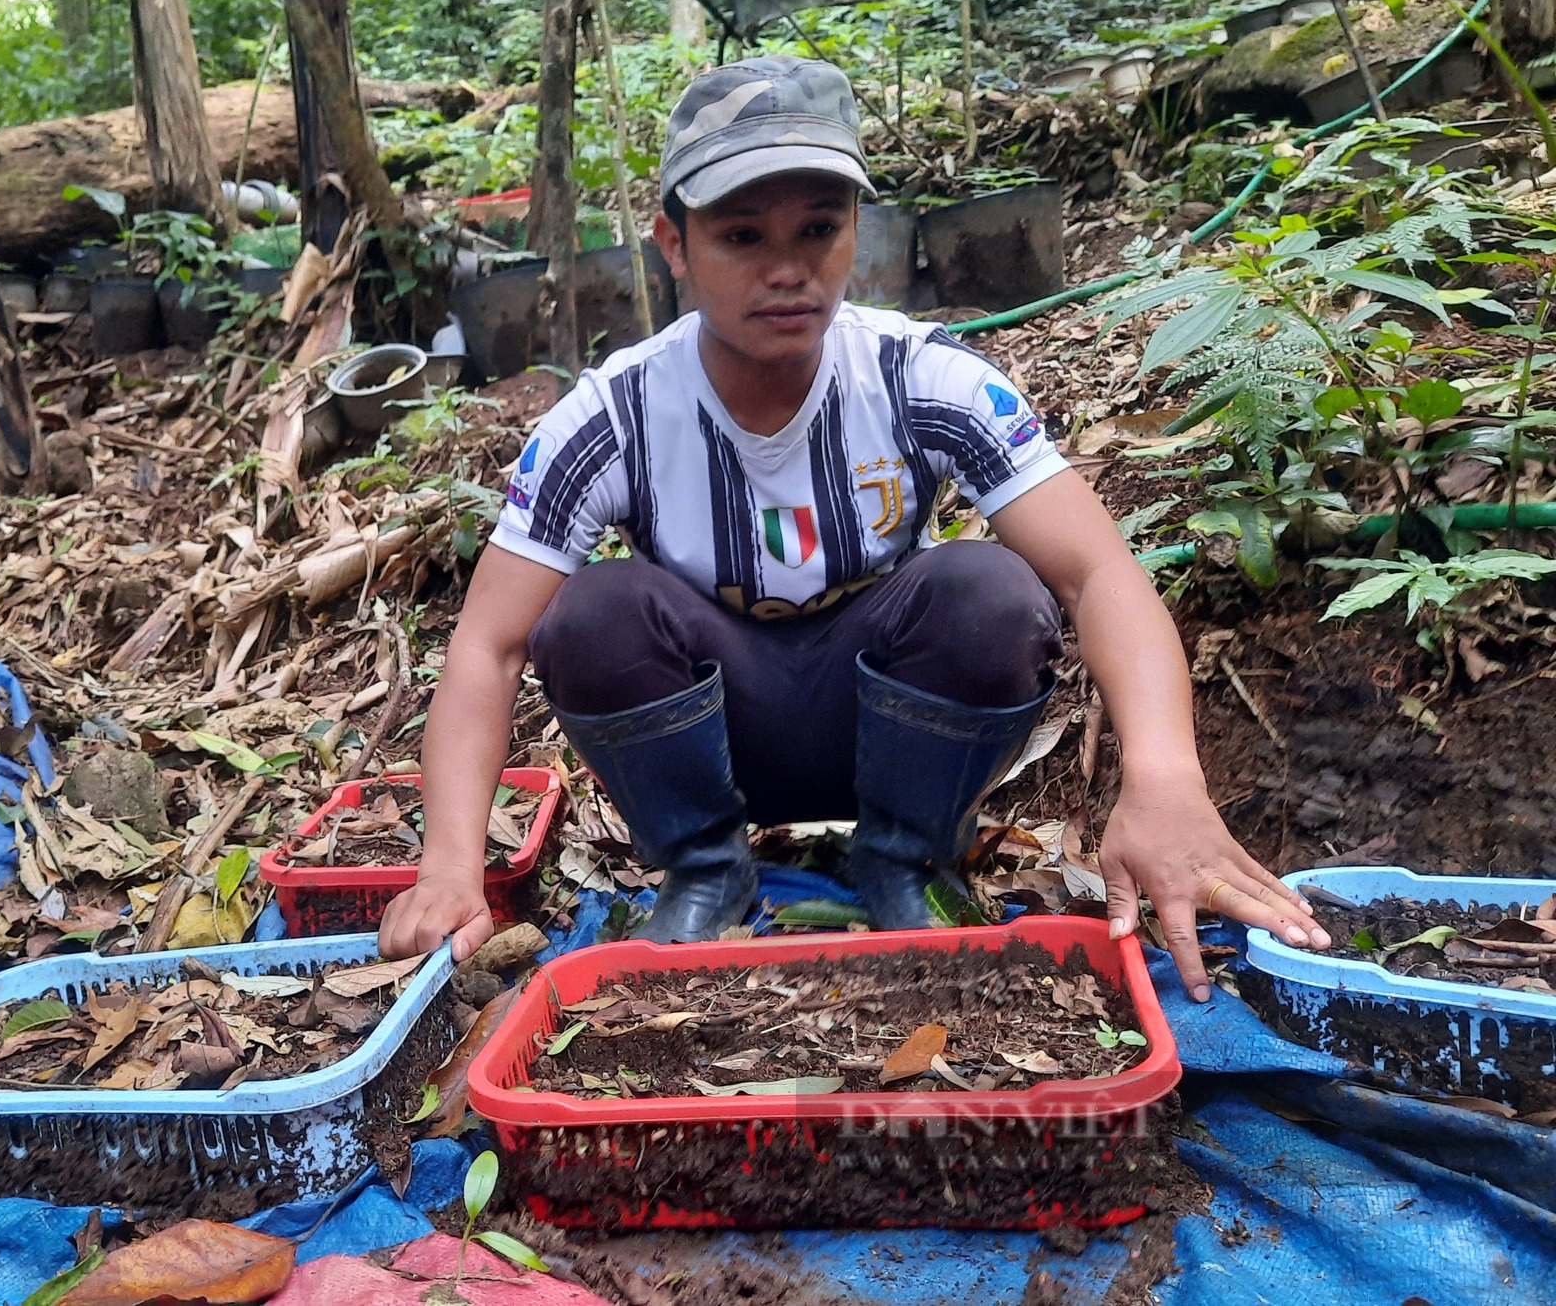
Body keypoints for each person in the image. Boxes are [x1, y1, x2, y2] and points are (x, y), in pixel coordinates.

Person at [377, 56, 1329, 998]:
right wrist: (451, 867)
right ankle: (708, 871)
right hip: (714, 735)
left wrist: (1166, 779)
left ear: (856, 232)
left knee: (991, 592)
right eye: (742, 235)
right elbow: (489, 647)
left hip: (891, 726)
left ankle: (907, 861)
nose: (787, 270)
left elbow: (1099, 575)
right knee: (590, 613)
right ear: (674, 244)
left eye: (819, 230)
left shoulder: (924, 379)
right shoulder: (613, 418)